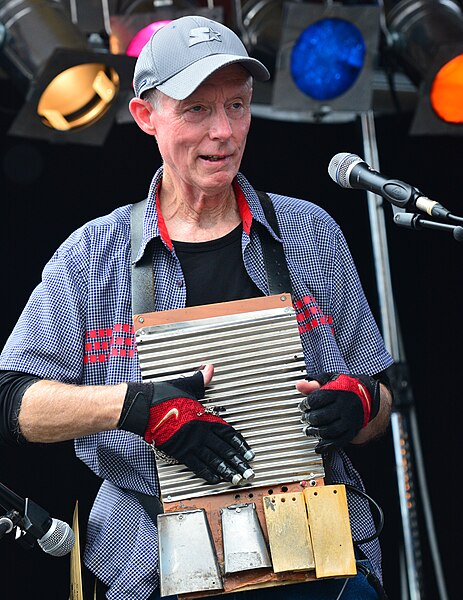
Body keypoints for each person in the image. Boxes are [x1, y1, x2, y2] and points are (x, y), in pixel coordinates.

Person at [0, 14, 394, 600]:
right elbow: (14, 403)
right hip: (153, 565)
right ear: (145, 117)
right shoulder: (92, 255)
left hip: (317, 554)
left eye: (236, 105)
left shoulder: (309, 233)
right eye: (196, 111)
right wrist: (139, 408)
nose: (224, 132)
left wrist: (359, 403)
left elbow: (378, 400)